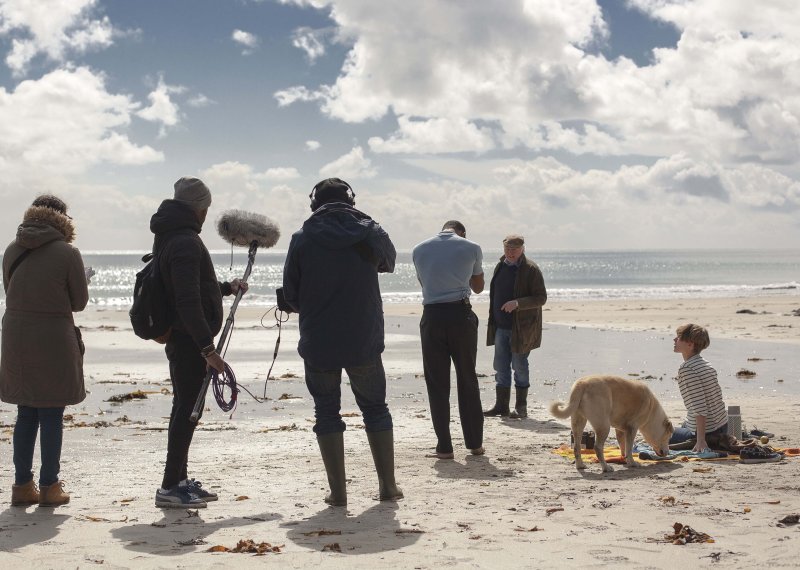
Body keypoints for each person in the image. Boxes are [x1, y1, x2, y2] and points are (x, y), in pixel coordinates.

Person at [282, 178, 402, 506]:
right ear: (351, 199)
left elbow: (291, 295)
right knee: (375, 408)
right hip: (363, 335)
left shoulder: (302, 239)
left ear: (313, 204)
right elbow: (389, 263)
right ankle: (388, 487)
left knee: (326, 410)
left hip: (318, 338)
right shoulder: (371, 231)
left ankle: (338, 493)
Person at [150, 177, 247, 508]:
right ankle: (169, 487)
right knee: (187, 412)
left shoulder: (170, 236)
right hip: (189, 340)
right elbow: (187, 300)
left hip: (184, 336)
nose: (207, 213)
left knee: (186, 407)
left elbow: (190, 287)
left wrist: (225, 288)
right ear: (198, 208)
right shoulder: (186, 242)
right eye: (206, 207)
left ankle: (179, 479)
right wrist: (208, 349)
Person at [1, 195, 89, 507]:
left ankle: (22, 485)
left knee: (26, 412)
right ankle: (50, 485)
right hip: (52, 337)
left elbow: (13, 292)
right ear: (63, 219)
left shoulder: (12, 249)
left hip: (15, 337)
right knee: (52, 411)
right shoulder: (68, 252)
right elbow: (77, 302)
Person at [412, 220, 485, 459]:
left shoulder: (419, 249)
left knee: (437, 383)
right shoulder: (471, 247)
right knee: (467, 379)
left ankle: (444, 446)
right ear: (461, 232)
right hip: (460, 315)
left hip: (432, 316)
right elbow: (478, 287)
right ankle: (474, 443)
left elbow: (424, 283)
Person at [483, 234, 547, 419]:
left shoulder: (531, 269)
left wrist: (517, 303)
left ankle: (521, 407)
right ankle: (501, 406)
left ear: (522, 249)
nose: (510, 253)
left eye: (514, 249)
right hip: (500, 326)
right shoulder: (500, 266)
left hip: (522, 328)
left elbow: (540, 298)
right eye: (507, 249)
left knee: (519, 366)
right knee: (500, 366)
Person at [670, 323, 728, 452]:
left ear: (690, 344)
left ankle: (698, 438)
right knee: (684, 424)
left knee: (658, 432)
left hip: (708, 433)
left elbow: (700, 408)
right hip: (722, 426)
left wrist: (700, 441)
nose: (674, 340)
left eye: (679, 337)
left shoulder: (687, 369)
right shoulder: (706, 364)